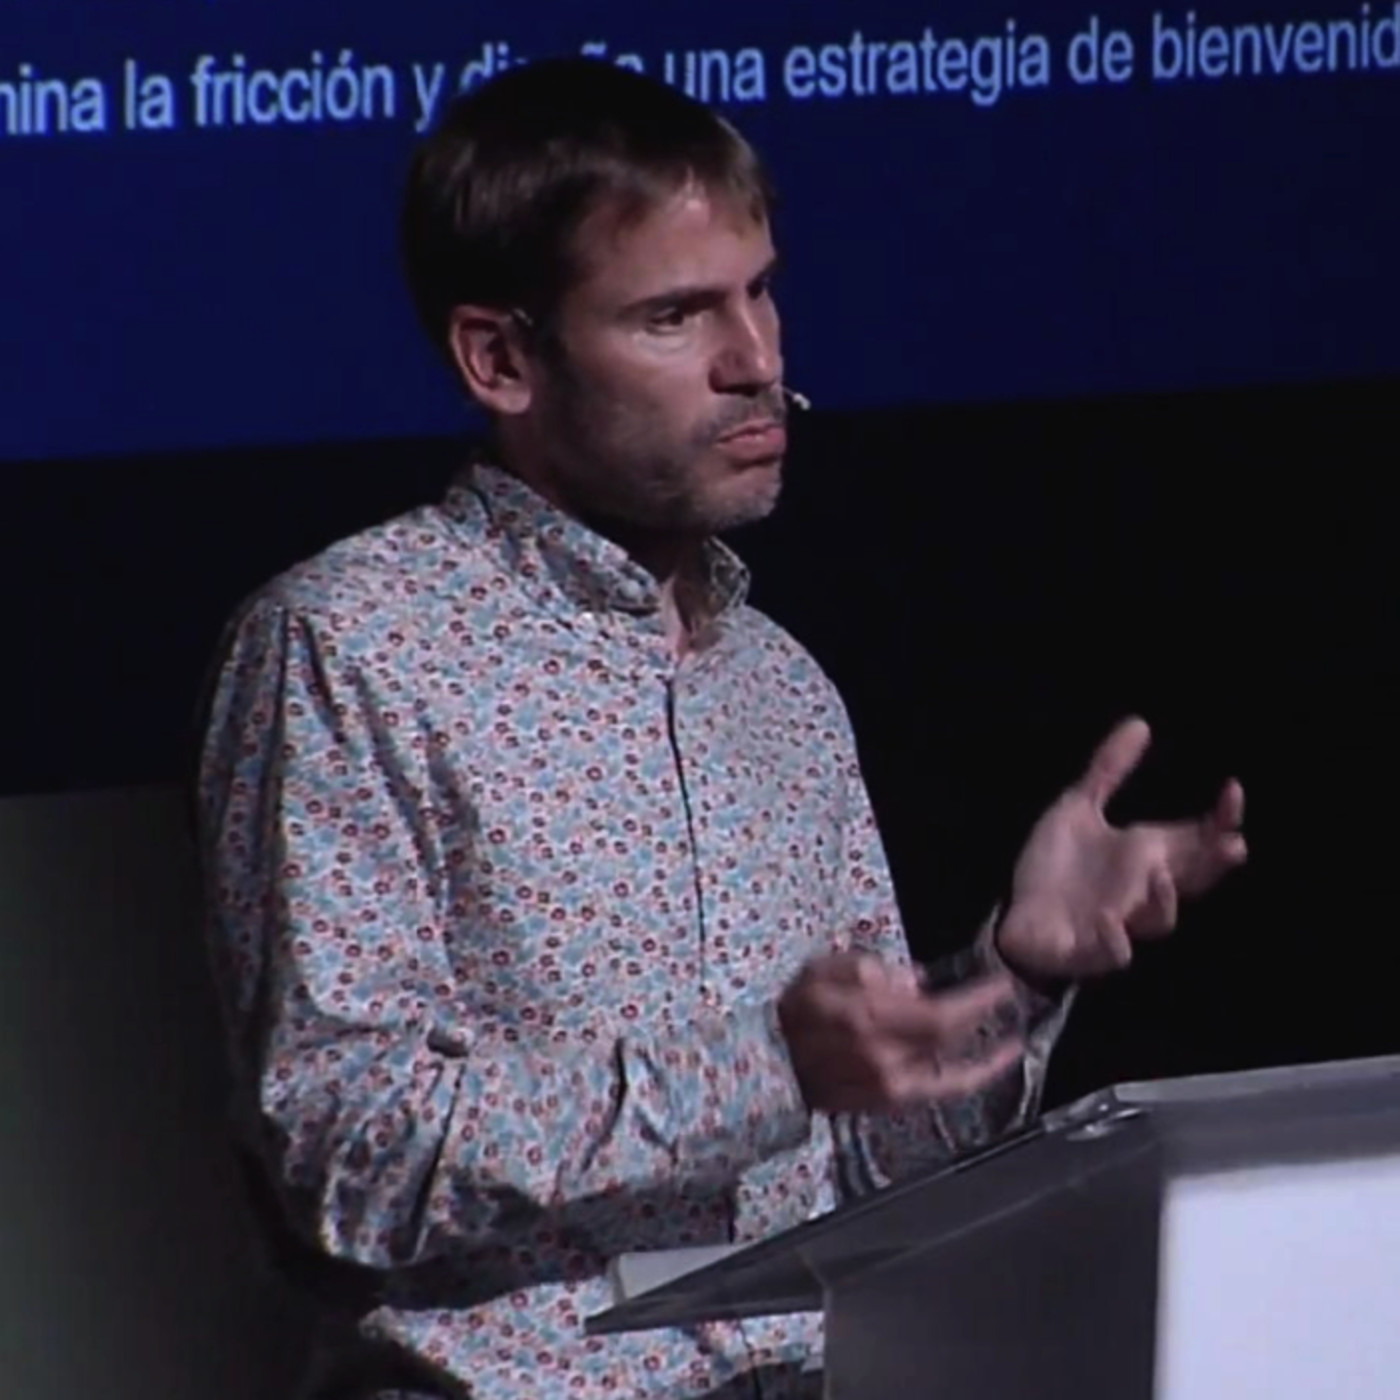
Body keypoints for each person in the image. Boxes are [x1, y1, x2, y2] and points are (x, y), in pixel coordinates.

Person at [194, 56, 1247, 1400]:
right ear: (501, 358)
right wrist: (765, 1069)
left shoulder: (783, 685)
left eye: (760, 291)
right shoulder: (350, 649)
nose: (757, 360)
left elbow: (869, 1172)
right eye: (676, 315)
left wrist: (1015, 972)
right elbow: (342, 1157)